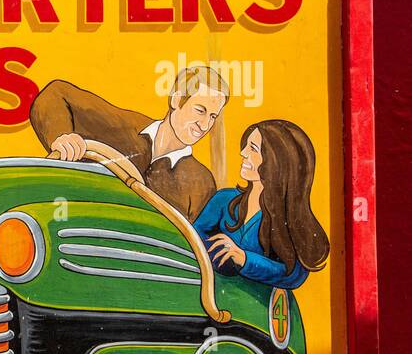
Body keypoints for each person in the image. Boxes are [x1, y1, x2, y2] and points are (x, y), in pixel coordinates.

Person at [29, 65, 229, 220]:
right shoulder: (121, 125)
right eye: (200, 111)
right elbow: (56, 93)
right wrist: (61, 136)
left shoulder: (202, 183)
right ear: (176, 100)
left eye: (213, 116)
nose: (204, 125)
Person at [194, 120, 330, 290]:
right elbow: (191, 238)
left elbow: (294, 274)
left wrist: (244, 258)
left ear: (275, 161)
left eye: (253, 149)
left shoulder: (290, 218)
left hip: (262, 310)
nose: (243, 153)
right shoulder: (224, 199)